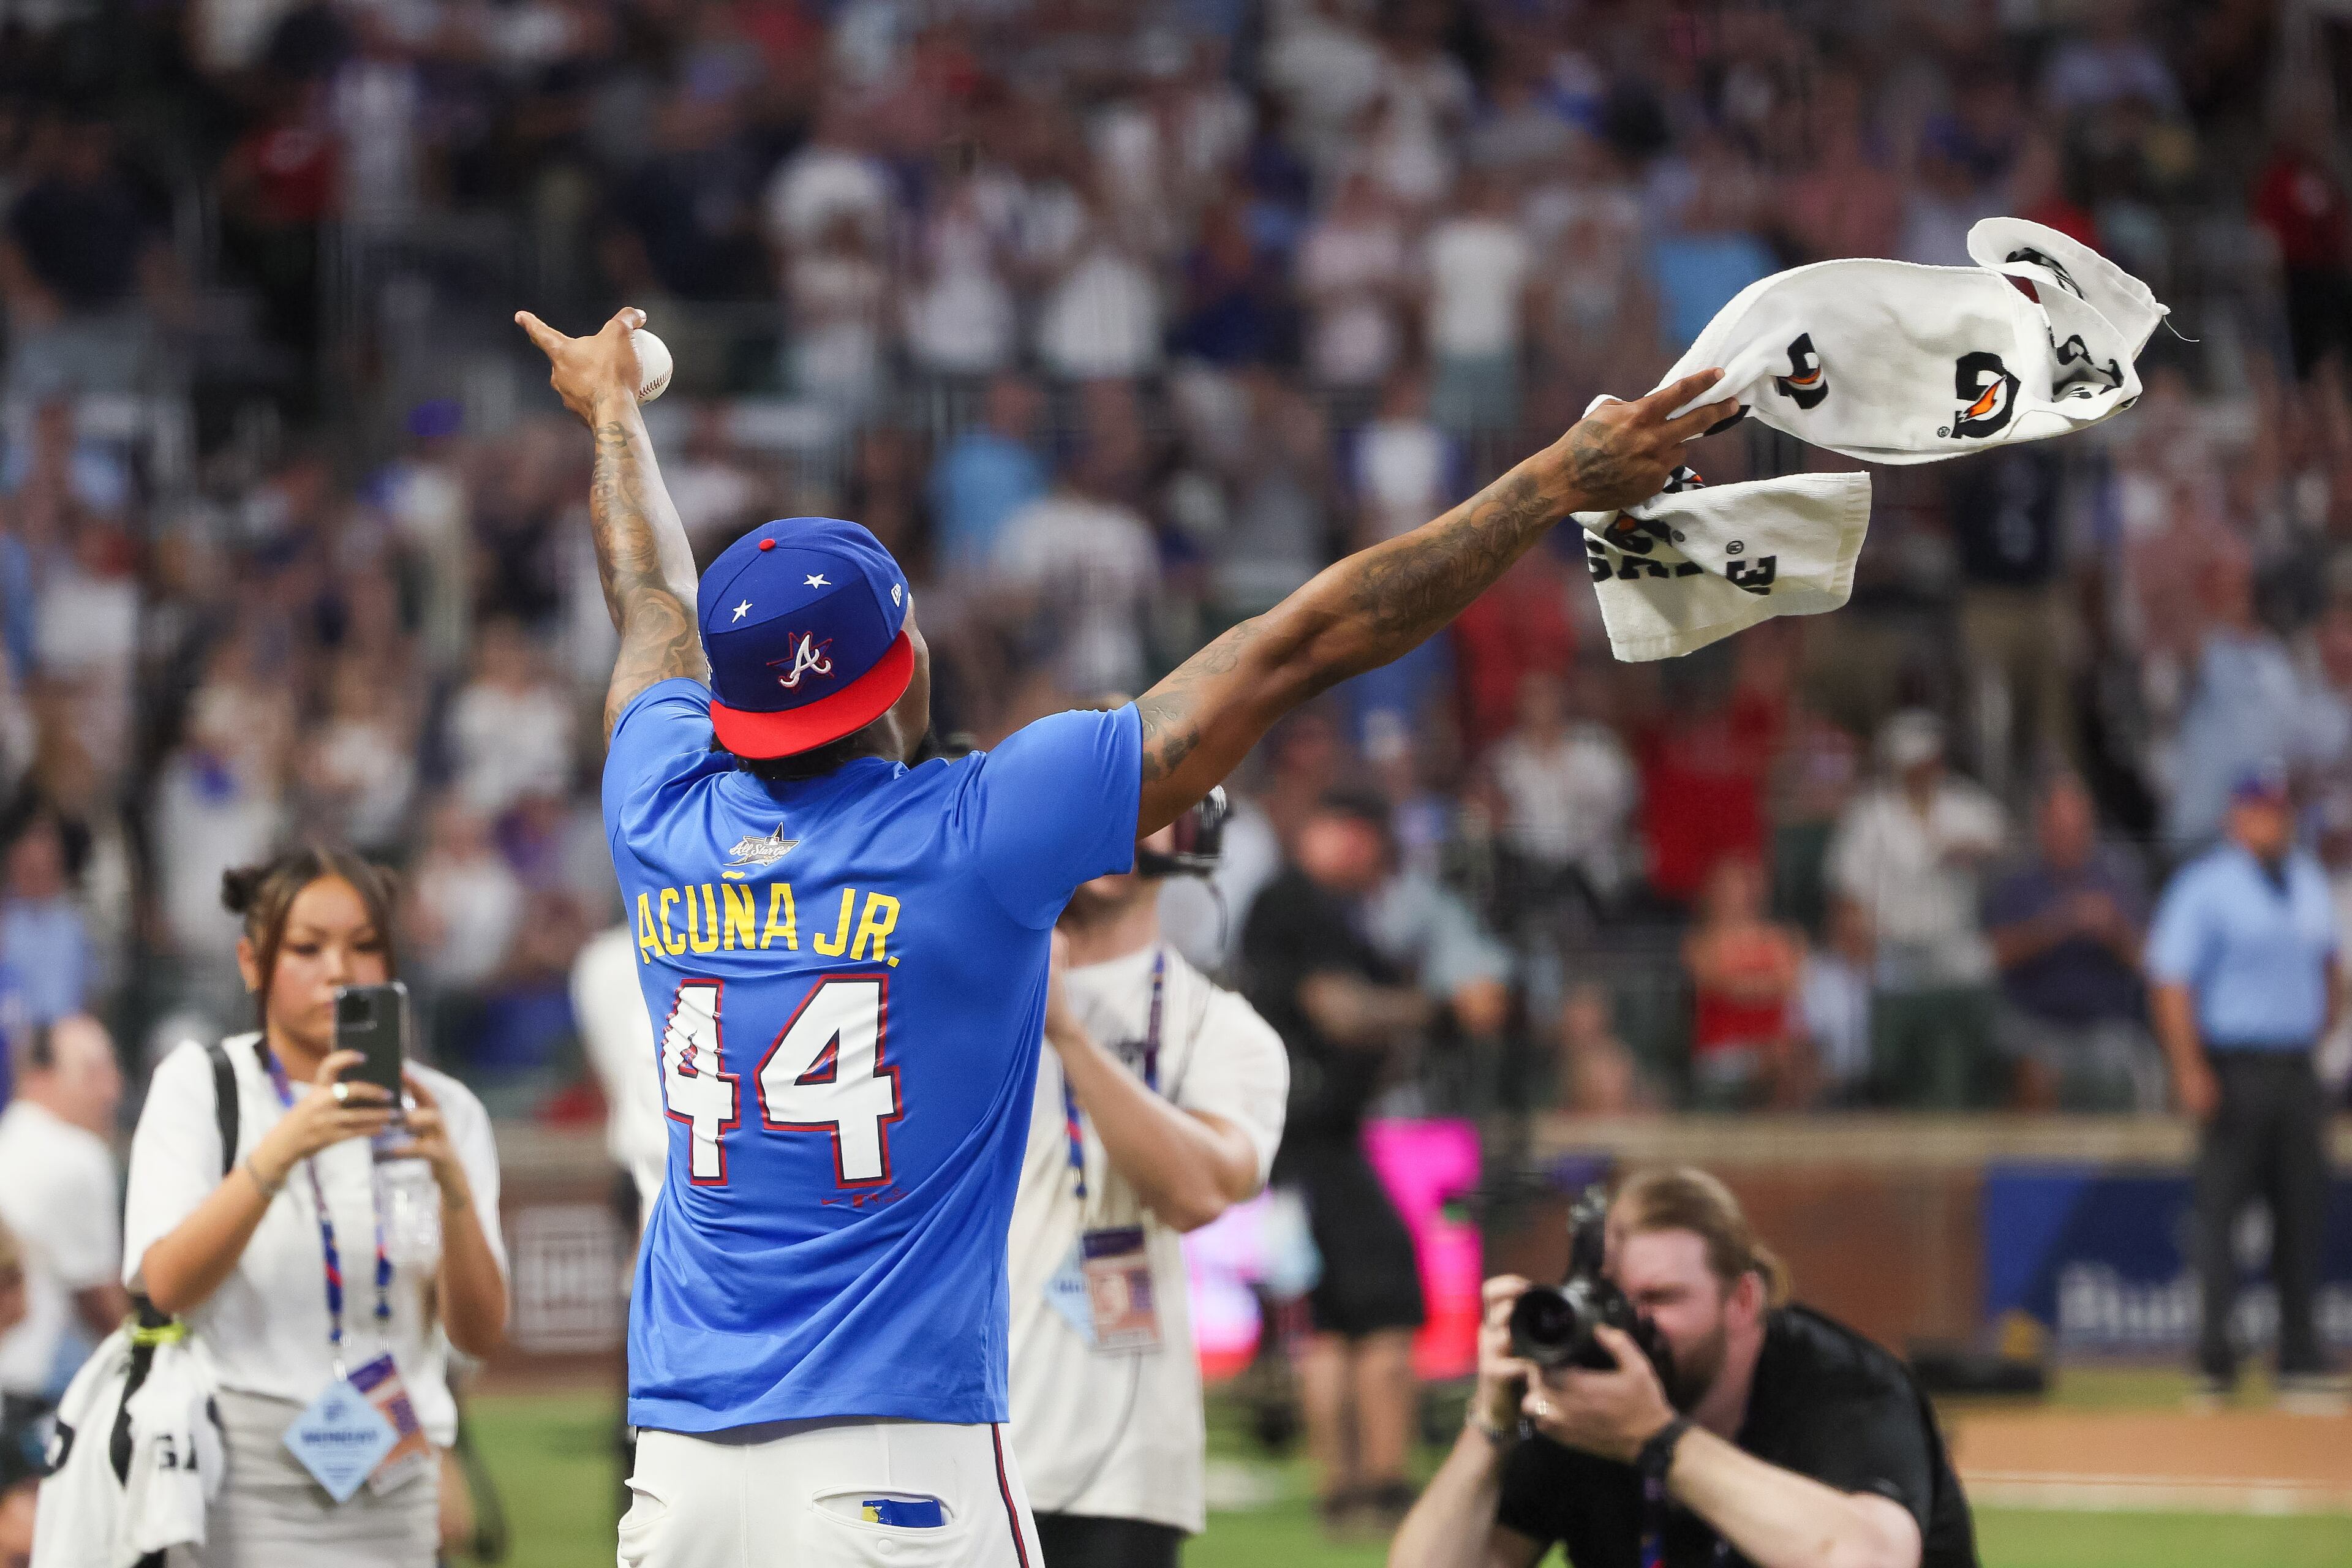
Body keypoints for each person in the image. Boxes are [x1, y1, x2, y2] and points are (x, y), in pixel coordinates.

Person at [511, 303, 1732, 1567]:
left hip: (679, 1474)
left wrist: (615, 416)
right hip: (896, 1465)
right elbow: (1298, 644)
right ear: (905, 663)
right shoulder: (979, 831)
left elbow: (650, 597)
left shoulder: (655, 804)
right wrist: (1551, 481)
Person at [121, 844, 509, 1566]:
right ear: (251, 963)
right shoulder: (204, 1086)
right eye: (307, 947)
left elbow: (481, 1334)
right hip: (240, 1472)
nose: (339, 970)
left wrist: (452, 1188)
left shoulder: (445, 1110)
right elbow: (167, 1284)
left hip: (395, 1471)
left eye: (365, 946)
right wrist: (279, 1152)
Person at [1387, 1167, 1977, 1568]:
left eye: (1663, 1299)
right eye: (1614, 1299)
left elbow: (1869, 1559)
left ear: (1743, 1300)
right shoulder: (1585, 1401)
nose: (1634, 1325)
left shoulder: (1842, 1381)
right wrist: (1490, 1427)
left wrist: (1657, 1441)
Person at [1009, 783, 1288, 1568]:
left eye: (1135, 799)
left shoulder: (1223, 1027)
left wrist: (1069, 1036)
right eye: (1083, 795)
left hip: (1119, 1473)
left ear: (1196, 826)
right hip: (948, 1445)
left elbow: (1200, 1192)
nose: (1107, 825)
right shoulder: (959, 994)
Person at [1240, 792, 1434, 1535]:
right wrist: (1437, 1012)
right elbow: (1340, 1009)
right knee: (1383, 1307)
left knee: (1328, 1321)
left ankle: (1344, 1495)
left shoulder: (1303, 909)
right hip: (1319, 1143)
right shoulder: (1301, 901)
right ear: (1348, 835)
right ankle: (1380, 1486)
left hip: (1297, 1145)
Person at [2147, 764, 2345, 1409]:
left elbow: (2332, 970)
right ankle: (2215, 1362)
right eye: (2261, 809)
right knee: (2221, 1216)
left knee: (2301, 1213)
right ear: (2236, 815)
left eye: (2280, 809)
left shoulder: (2310, 882)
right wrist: (2188, 1067)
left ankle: (2299, 1358)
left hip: (2295, 1066)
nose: (2273, 820)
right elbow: (2172, 981)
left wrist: (2317, 1029)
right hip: (2231, 1064)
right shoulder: (2205, 887)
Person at [1825, 710, 2006, 1108]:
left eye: (1929, 764)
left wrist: (1967, 850)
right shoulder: (1869, 815)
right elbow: (1846, 890)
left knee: (1981, 975)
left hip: (1954, 945)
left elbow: (2002, 841)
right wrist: (1859, 941)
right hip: (1893, 949)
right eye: (1914, 766)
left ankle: (1974, 1096)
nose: (1923, 772)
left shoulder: (1965, 803)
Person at [1982, 773, 2158, 1112]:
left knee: (2140, 1068)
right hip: (2034, 1026)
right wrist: (2059, 924)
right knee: (2030, 1070)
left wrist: (2114, 931)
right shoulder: (2017, 882)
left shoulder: (2118, 878)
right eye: (2062, 827)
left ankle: (2134, 1165)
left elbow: (2152, 961)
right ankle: (2030, 1164)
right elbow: (1994, 954)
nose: (2072, 837)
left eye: (2080, 827)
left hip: (2107, 1027)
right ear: (2043, 826)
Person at [0, 1016, 127, 1407]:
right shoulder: (75, 1156)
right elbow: (102, 1309)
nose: (112, 1090)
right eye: (91, 1072)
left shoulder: (11, 1139)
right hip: (32, 1396)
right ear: (38, 1077)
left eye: (112, 1070)